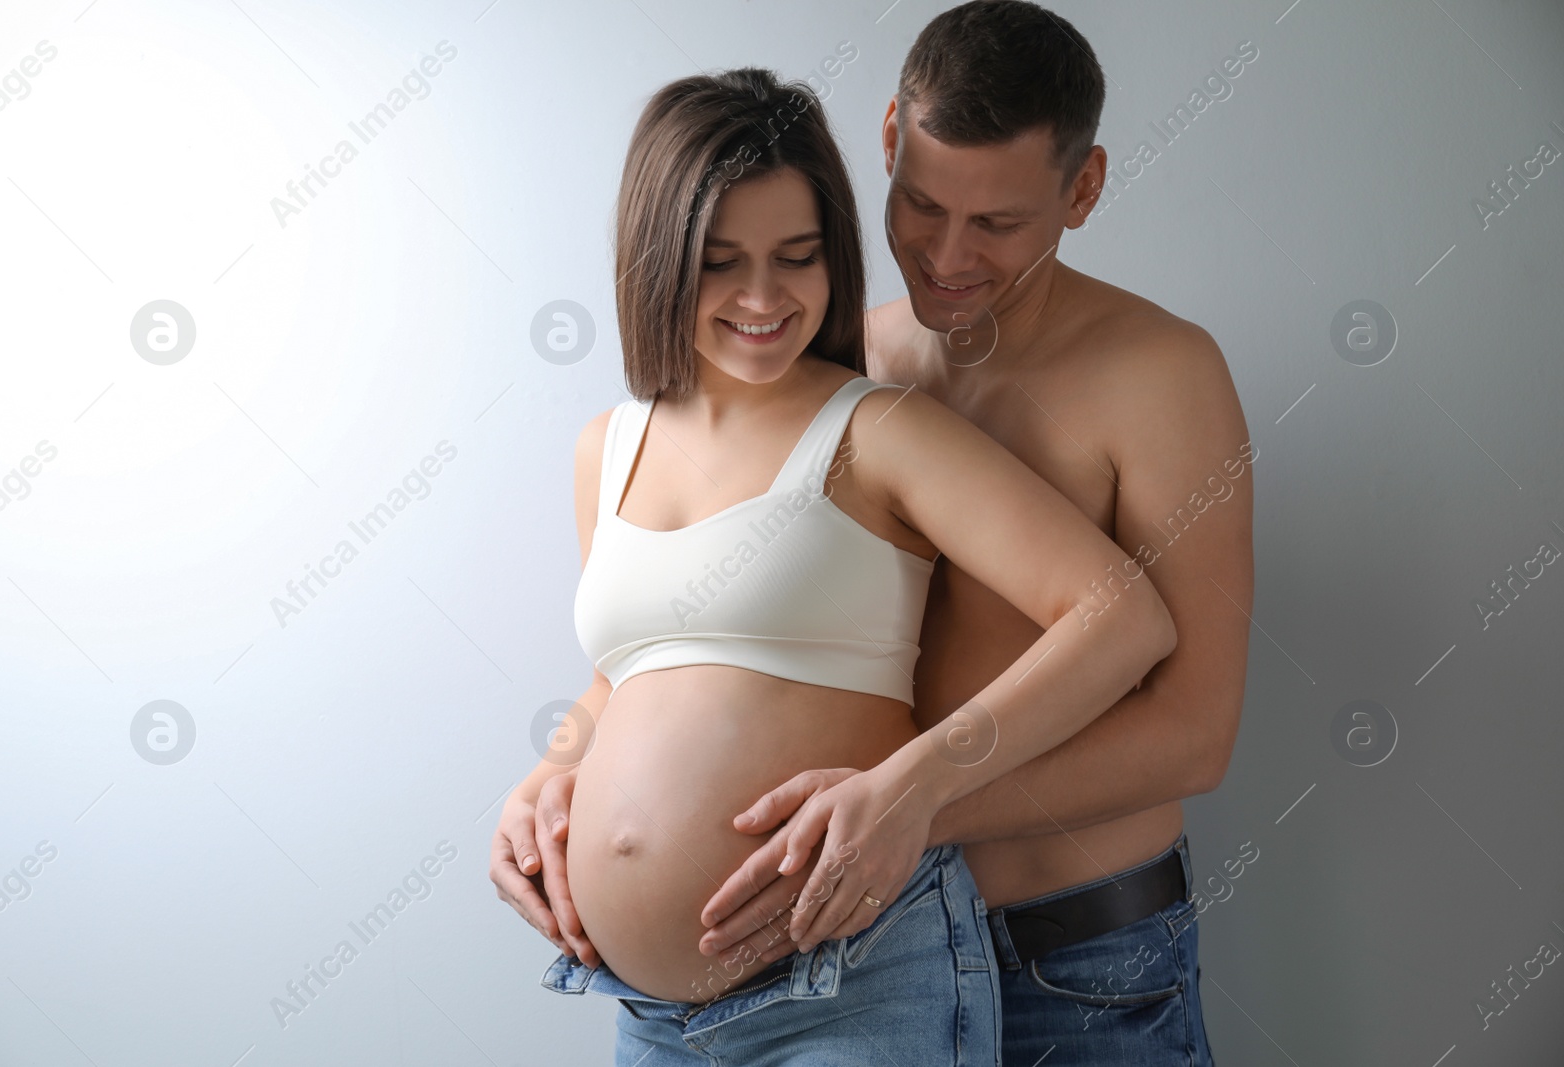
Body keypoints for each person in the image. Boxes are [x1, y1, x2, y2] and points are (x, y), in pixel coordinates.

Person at [493, 66, 1178, 1066]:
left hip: (852, 981)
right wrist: (549, 773)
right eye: (720, 261)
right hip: (644, 1010)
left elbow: (1121, 617)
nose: (764, 296)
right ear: (658, 257)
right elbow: (630, 670)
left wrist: (917, 783)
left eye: (797, 256)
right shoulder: (607, 444)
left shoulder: (876, 428)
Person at [692, 4, 1254, 1063]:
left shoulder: (1161, 378)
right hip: (865, 961)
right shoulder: (836, 352)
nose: (947, 256)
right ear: (891, 138)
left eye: (996, 224)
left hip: (1075, 962)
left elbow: (1196, 733)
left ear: (1081, 190)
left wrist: (916, 800)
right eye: (920, 205)